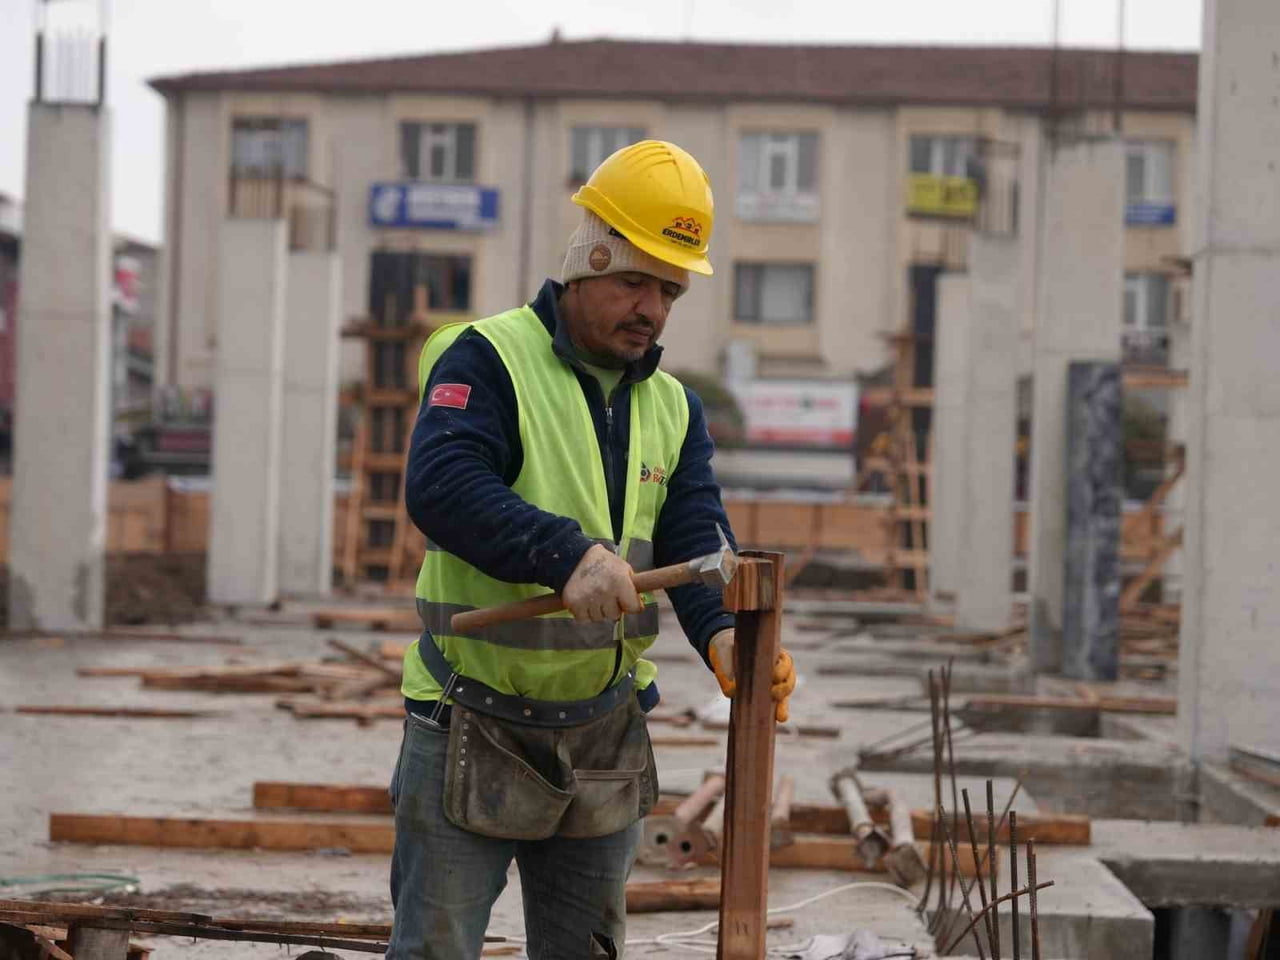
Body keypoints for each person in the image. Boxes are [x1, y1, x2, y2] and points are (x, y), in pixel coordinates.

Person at [387, 140, 796, 960]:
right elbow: (441, 484)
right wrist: (566, 555)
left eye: (670, 290)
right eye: (634, 281)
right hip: (470, 714)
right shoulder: (489, 357)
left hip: (603, 731)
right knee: (435, 950)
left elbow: (694, 534)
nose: (651, 308)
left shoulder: (675, 407)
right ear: (587, 255)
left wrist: (722, 631)